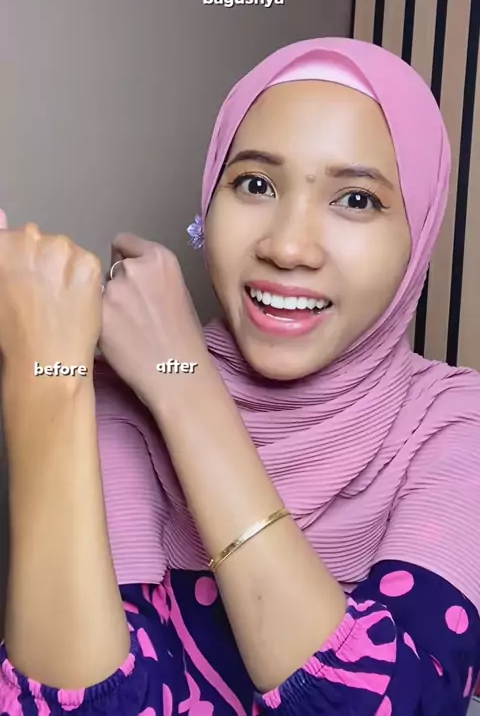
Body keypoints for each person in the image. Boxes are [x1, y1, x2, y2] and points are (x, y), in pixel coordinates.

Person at [0, 37, 479, 716]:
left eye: (356, 199)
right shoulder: (118, 403)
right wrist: (46, 380)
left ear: (419, 235)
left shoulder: (454, 427)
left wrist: (185, 385)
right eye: (255, 184)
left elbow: (394, 702)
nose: (287, 246)